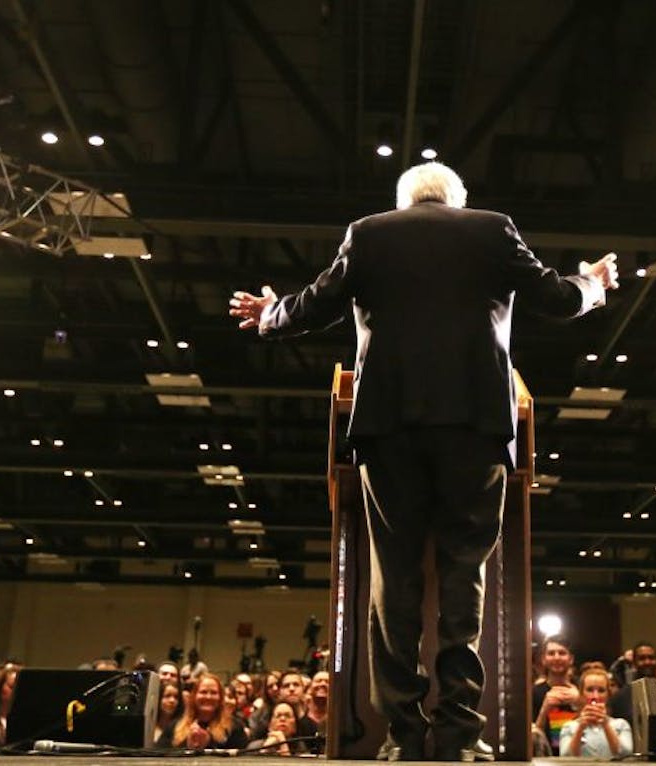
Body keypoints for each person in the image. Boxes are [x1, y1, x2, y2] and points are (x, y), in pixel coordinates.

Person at [230, 161, 618, 762]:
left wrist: (271, 312)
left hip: (389, 428)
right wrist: (591, 283)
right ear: (457, 201)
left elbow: (317, 304)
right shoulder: (492, 229)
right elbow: (559, 299)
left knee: (396, 582)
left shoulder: (369, 232)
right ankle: (460, 735)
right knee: (465, 580)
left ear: (403, 201)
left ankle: (403, 737)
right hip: (475, 426)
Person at [558, 668, 631, 758]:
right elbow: (566, 757)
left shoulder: (621, 725)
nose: (595, 696)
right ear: (581, 694)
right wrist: (580, 728)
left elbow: (625, 755)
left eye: (601, 690)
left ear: (608, 694)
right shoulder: (569, 727)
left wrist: (606, 725)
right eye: (589, 690)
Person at [532, 636, 579, 747]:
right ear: (544, 659)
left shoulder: (582, 690)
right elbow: (533, 739)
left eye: (562, 653)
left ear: (571, 659)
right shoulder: (534, 693)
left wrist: (580, 701)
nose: (556, 657)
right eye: (551, 653)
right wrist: (544, 710)